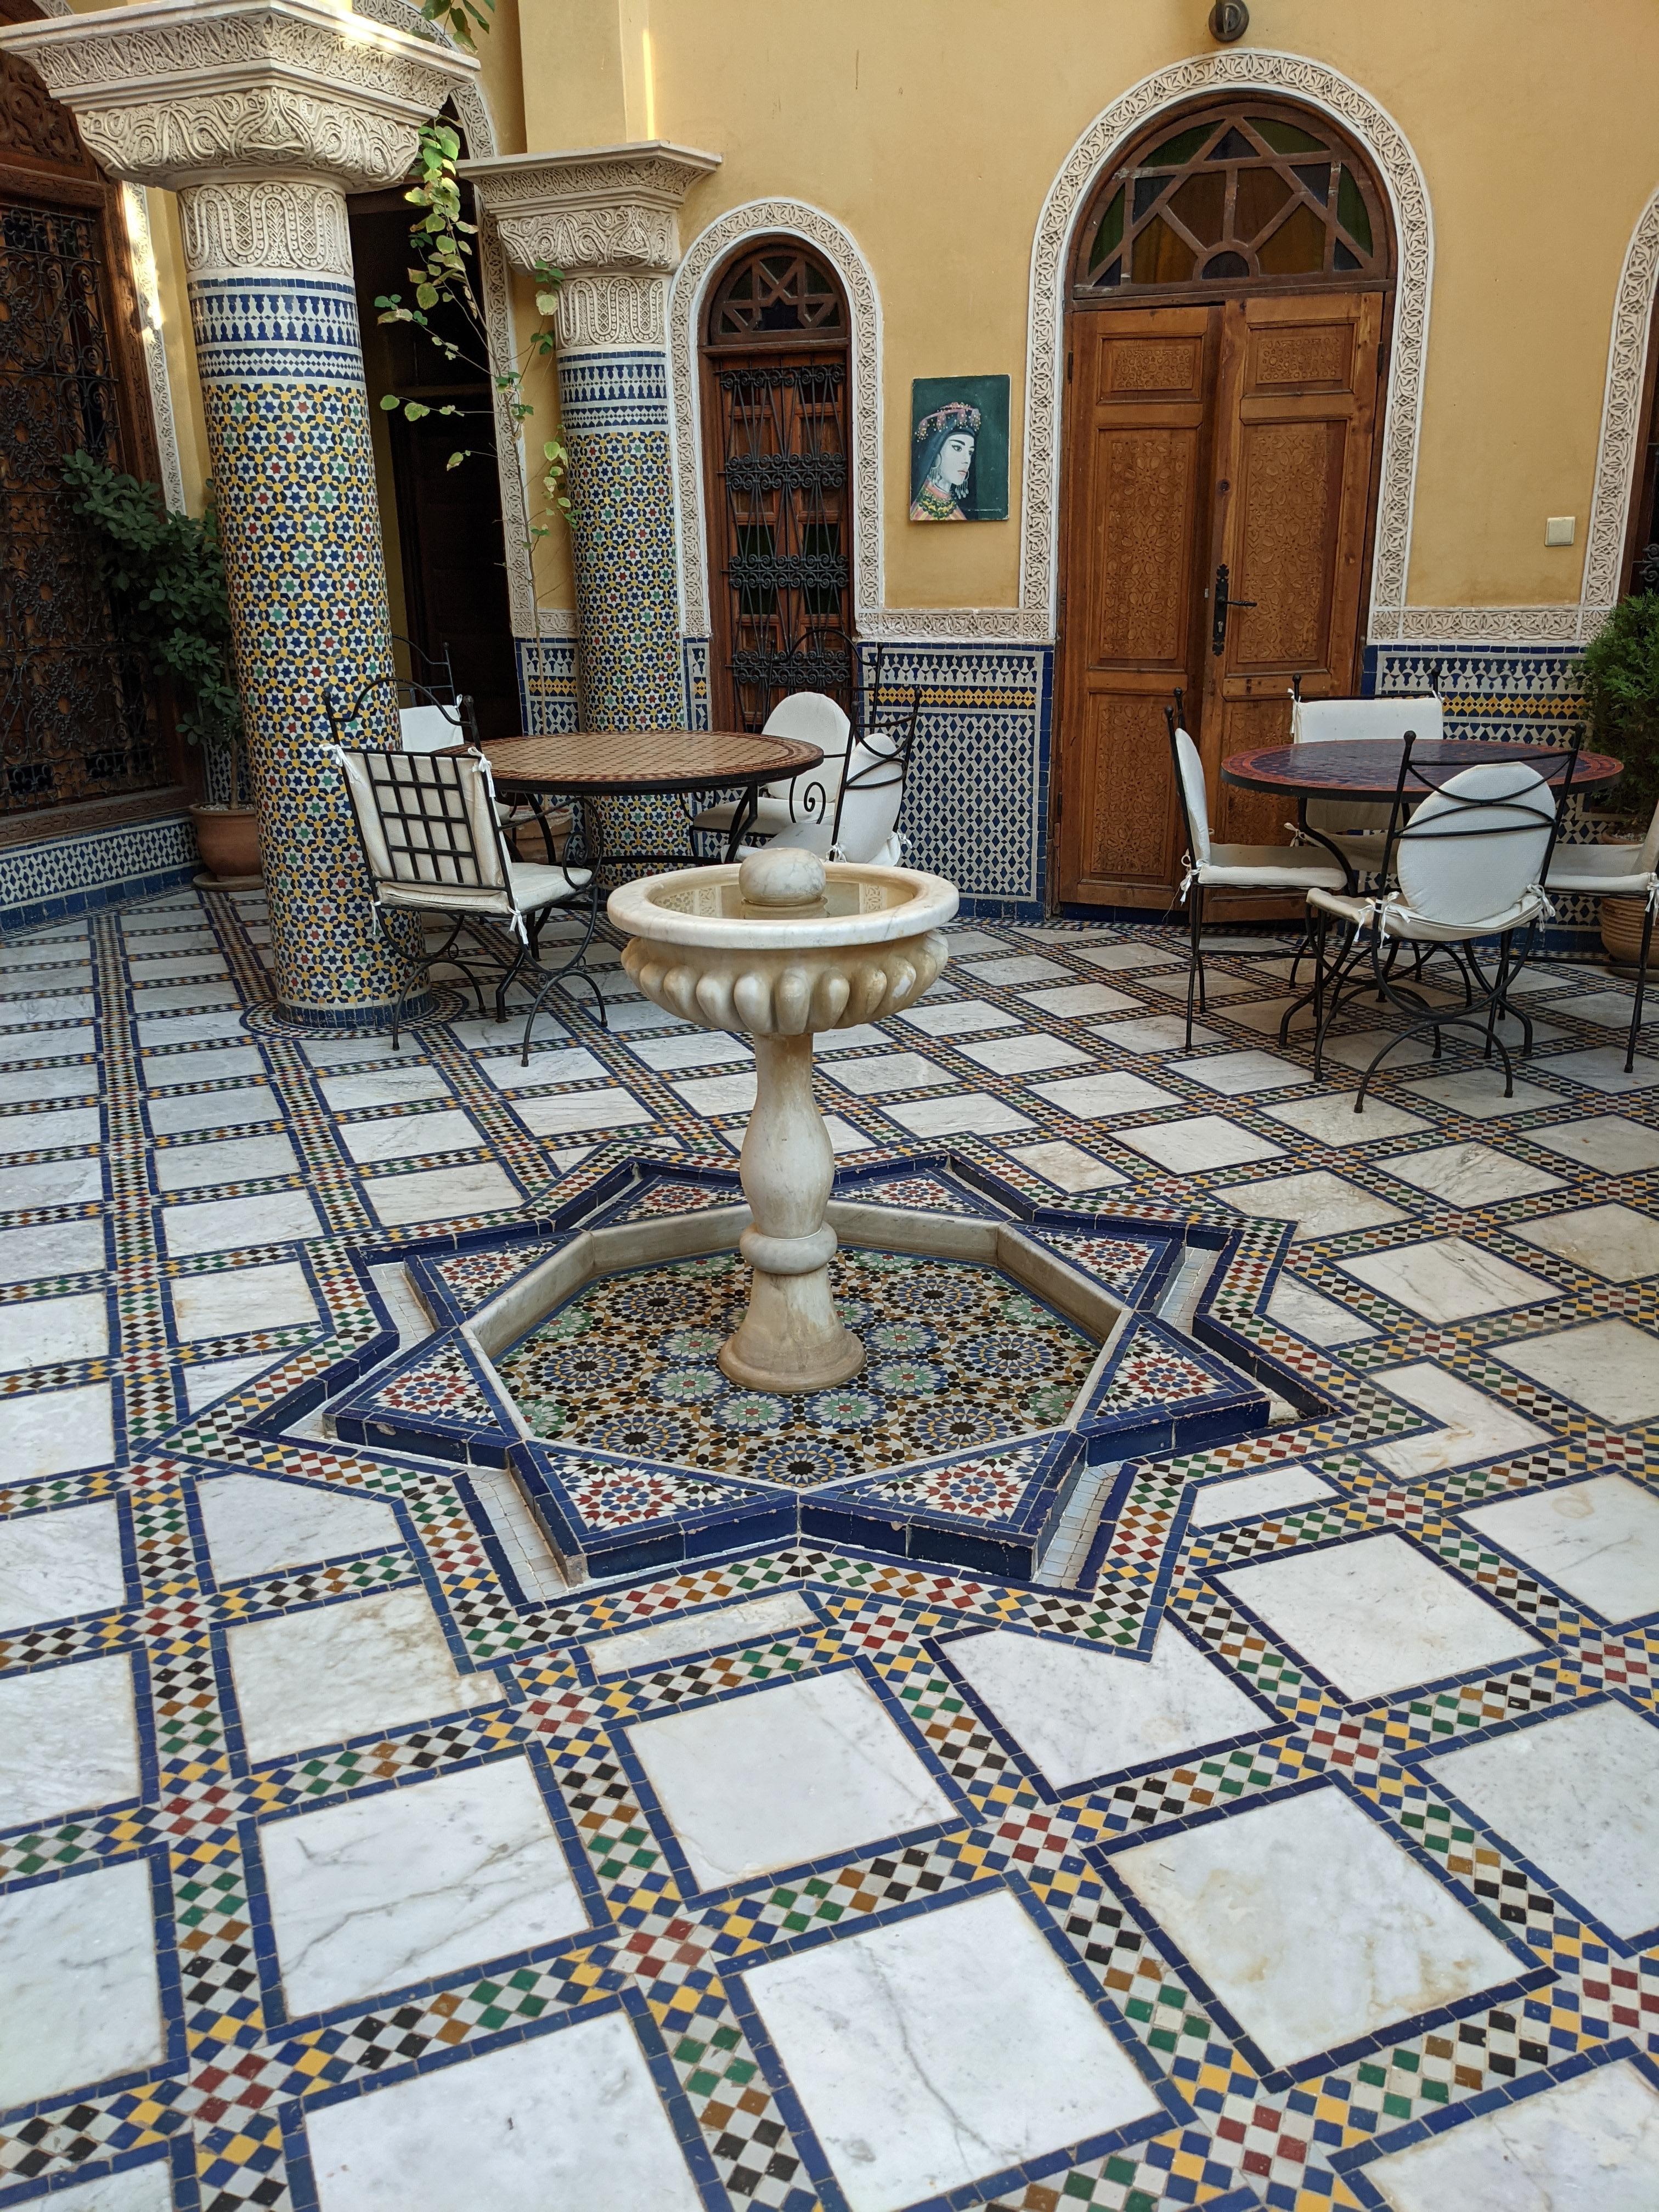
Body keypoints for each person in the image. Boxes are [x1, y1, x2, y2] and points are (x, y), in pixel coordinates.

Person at [910, 399, 980, 521]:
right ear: (936, 452)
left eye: (970, 452)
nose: (967, 460)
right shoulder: (918, 512)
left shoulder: (954, 509)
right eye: (957, 448)